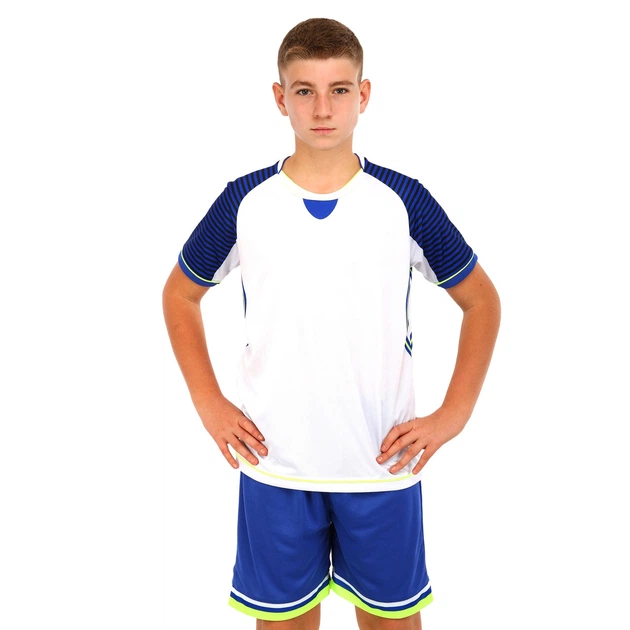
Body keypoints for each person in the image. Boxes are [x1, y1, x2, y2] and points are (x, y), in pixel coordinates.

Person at [162, 16, 501, 630]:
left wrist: (454, 414)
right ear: (280, 98)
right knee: (283, 622)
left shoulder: (403, 200)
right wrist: (207, 400)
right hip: (276, 465)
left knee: (392, 621)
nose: (322, 108)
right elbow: (179, 294)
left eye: (339, 90)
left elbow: (482, 301)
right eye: (305, 91)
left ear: (363, 95)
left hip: (380, 465)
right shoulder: (244, 201)